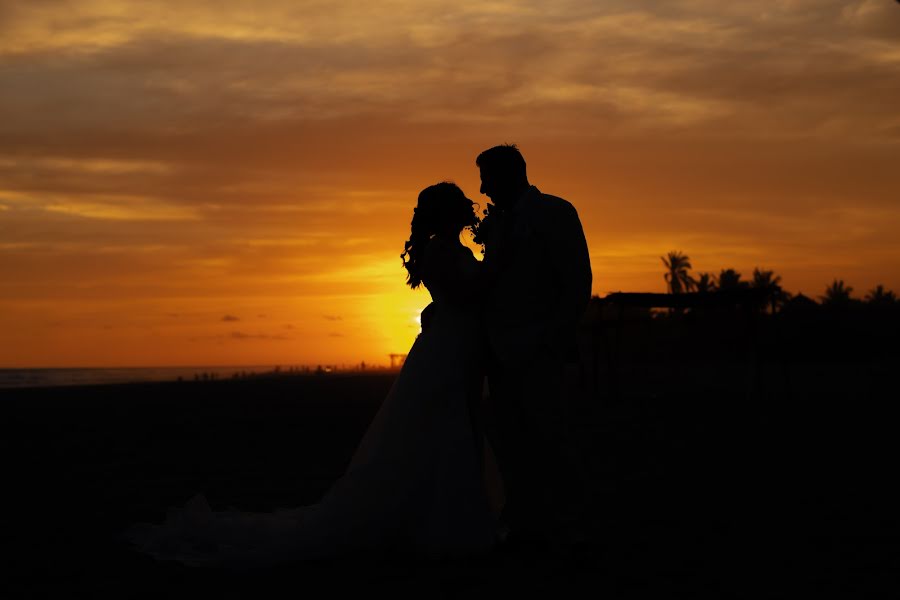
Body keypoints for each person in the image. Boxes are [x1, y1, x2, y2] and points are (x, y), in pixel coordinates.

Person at [124, 182, 500, 568]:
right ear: (444, 214)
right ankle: (444, 523)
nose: (466, 209)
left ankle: (454, 515)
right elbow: (463, 296)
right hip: (445, 351)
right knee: (445, 428)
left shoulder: (455, 250)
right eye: (457, 205)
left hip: (456, 346)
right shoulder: (441, 250)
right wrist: (497, 268)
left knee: (456, 427)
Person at [475, 144, 592, 549]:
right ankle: (529, 521)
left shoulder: (555, 213)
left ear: (510, 175)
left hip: (540, 351)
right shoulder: (500, 223)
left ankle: (569, 524)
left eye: (486, 178)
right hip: (500, 354)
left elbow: (577, 283)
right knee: (514, 443)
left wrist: (549, 339)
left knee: (552, 437)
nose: (482, 188)